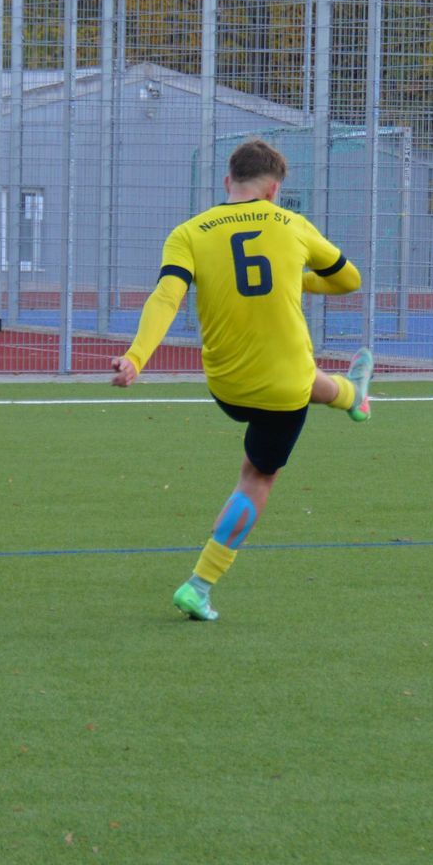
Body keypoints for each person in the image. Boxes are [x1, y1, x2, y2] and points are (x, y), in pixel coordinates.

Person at [110, 138, 373, 623]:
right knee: (257, 476)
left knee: (306, 377)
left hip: (226, 385)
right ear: (273, 190)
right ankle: (199, 584)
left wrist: (136, 358)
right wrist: (297, 275)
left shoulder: (189, 232)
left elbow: (166, 297)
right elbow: (349, 280)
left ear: (228, 181)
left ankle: (354, 396)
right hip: (282, 388)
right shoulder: (292, 224)